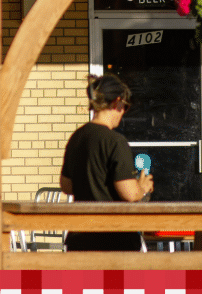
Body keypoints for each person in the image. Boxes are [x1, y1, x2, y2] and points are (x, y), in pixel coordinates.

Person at [59, 74, 153, 252]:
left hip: (80, 237)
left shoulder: (76, 137)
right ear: (117, 102)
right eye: (124, 106)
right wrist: (142, 187)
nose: (124, 111)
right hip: (114, 239)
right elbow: (130, 194)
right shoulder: (114, 141)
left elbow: (67, 186)